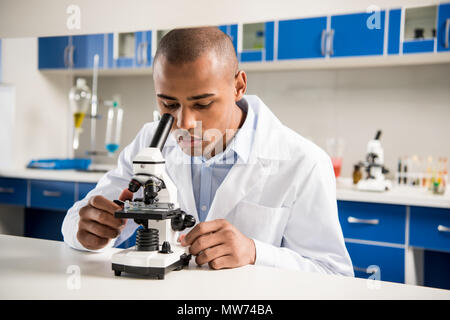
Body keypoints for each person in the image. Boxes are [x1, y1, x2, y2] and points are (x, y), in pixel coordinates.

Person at [62, 27, 353, 276]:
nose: (185, 123)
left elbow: (333, 274)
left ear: (238, 86)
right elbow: (82, 217)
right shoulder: (150, 141)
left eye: (202, 104)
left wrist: (254, 252)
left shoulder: (304, 161)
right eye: (168, 104)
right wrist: (87, 228)